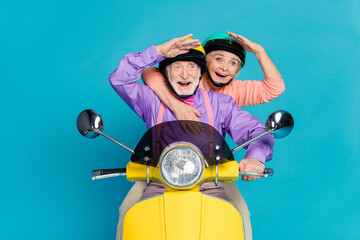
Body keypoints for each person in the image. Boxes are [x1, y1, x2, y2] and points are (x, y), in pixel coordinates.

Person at [109, 34, 275, 240]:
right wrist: (158, 52)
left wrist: (255, 158)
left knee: (241, 214)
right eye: (177, 67)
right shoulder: (151, 100)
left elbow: (256, 131)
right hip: (156, 179)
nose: (185, 74)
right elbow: (119, 78)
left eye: (191, 67)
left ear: (200, 73)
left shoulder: (221, 103)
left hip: (213, 180)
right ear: (166, 73)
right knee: (127, 212)